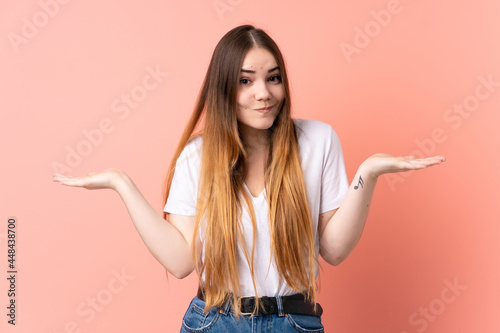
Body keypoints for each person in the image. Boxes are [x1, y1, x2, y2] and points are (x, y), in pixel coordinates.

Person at [53, 25, 445, 332]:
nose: (263, 93)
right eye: (246, 81)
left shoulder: (318, 140)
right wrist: (121, 183)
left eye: (273, 78)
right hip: (215, 322)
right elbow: (180, 262)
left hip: (295, 322)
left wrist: (368, 174)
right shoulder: (198, 157)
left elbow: (335, 250)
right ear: (224, 88)